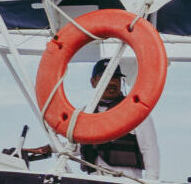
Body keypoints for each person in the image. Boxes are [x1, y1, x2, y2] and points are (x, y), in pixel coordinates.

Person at [21, 61, 160, 177]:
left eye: (116, 78)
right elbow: (80, 146)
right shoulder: (84, 112)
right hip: (95, 181)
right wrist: (49, 149)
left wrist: (152, 182)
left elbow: (149, 148)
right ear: (93, 82)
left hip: (127, 180)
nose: (112, 83)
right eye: (105, 78)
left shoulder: (135, 112)